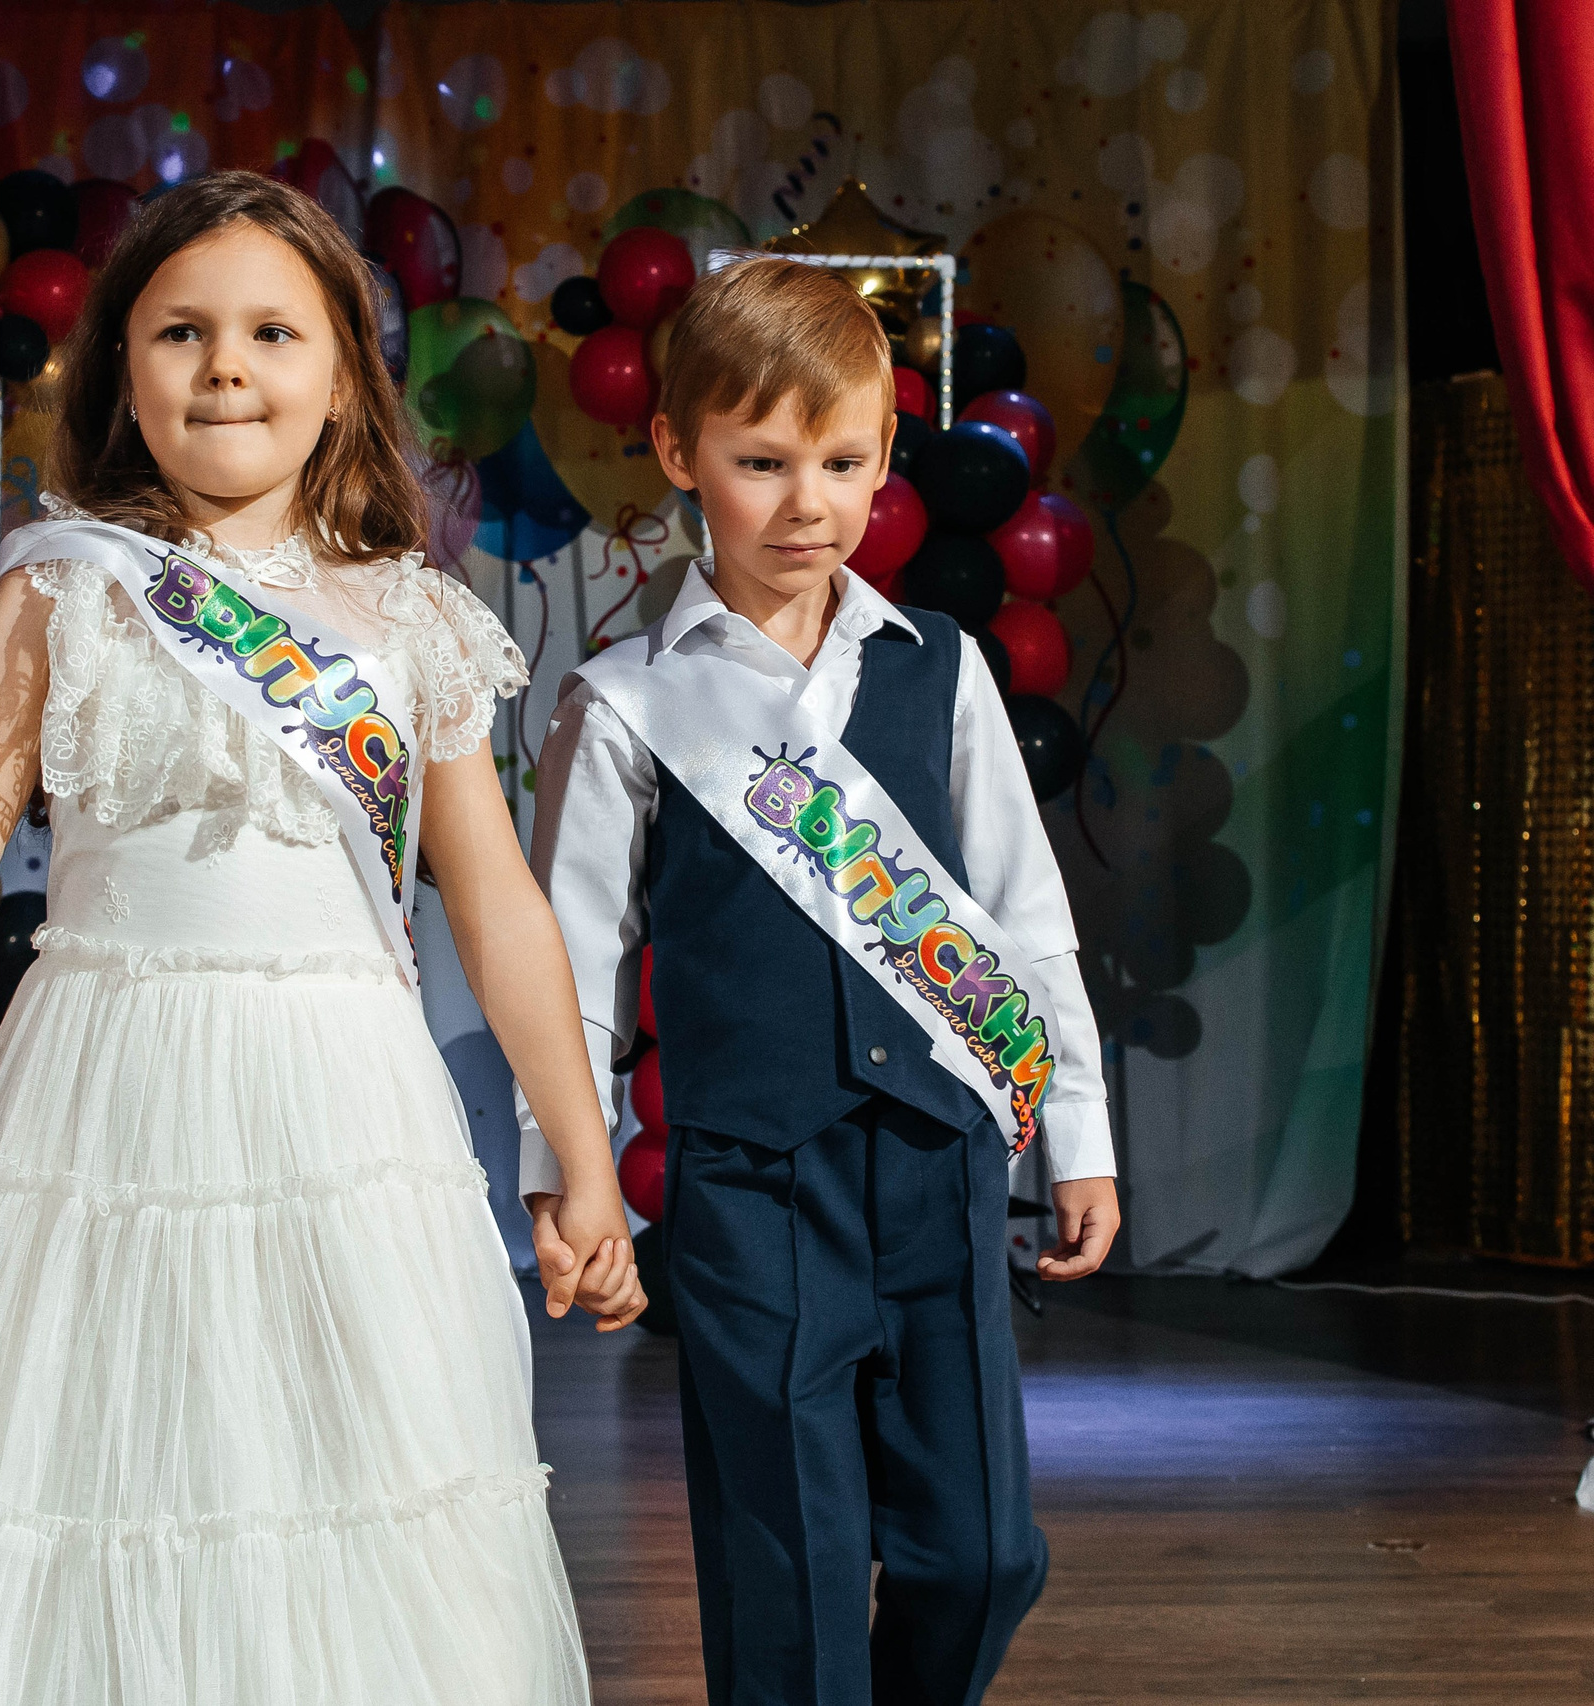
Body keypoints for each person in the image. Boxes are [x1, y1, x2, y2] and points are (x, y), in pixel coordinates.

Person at [0, 171, 641, 1706]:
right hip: (109, 1082)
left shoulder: (412, 621)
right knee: (84, 1456)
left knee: (345, 1459)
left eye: (274, 332)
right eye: (182, 332)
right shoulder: (64, 588)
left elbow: (496, 904)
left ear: (344, 377)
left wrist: (583, 1149)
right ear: (122, 372)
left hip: (342, 1097)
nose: (227, 366)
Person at [516, 257, 1123, 1706]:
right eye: (763, 463)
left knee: (983, 1554)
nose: (808, 504)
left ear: (886, 456)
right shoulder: (628, 703)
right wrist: (568, 1175)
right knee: (786, 1560)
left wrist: (1079, 1130)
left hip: (939, 1165)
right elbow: (571, 963)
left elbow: (1025, 919)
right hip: (752, 1185)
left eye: (843, 463)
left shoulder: (943, 668)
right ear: (678, 452)